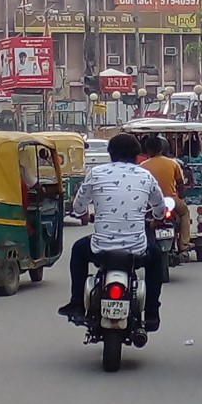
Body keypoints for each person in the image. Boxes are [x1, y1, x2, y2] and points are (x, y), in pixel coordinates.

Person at [57, 134, 168, 331]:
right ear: (137, 156)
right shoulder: (145, 176)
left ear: (110, 154)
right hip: (137, 248)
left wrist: (82, 212)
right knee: (157, 259)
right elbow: (159, 207)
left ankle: (76, 302)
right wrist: (157, 217)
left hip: (101, 247)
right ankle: (152, 311)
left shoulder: (96, 173)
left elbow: (79, 205)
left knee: (78, 250)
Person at [140, 136, 193, 253]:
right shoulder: (173, 163)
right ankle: (184, 243)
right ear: (161, 149)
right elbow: (180, 183)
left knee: (141, 219)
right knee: (185, 213)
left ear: (147, 150)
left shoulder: (142, 166)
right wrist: (180, 197)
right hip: (171, 199)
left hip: (150, 202)